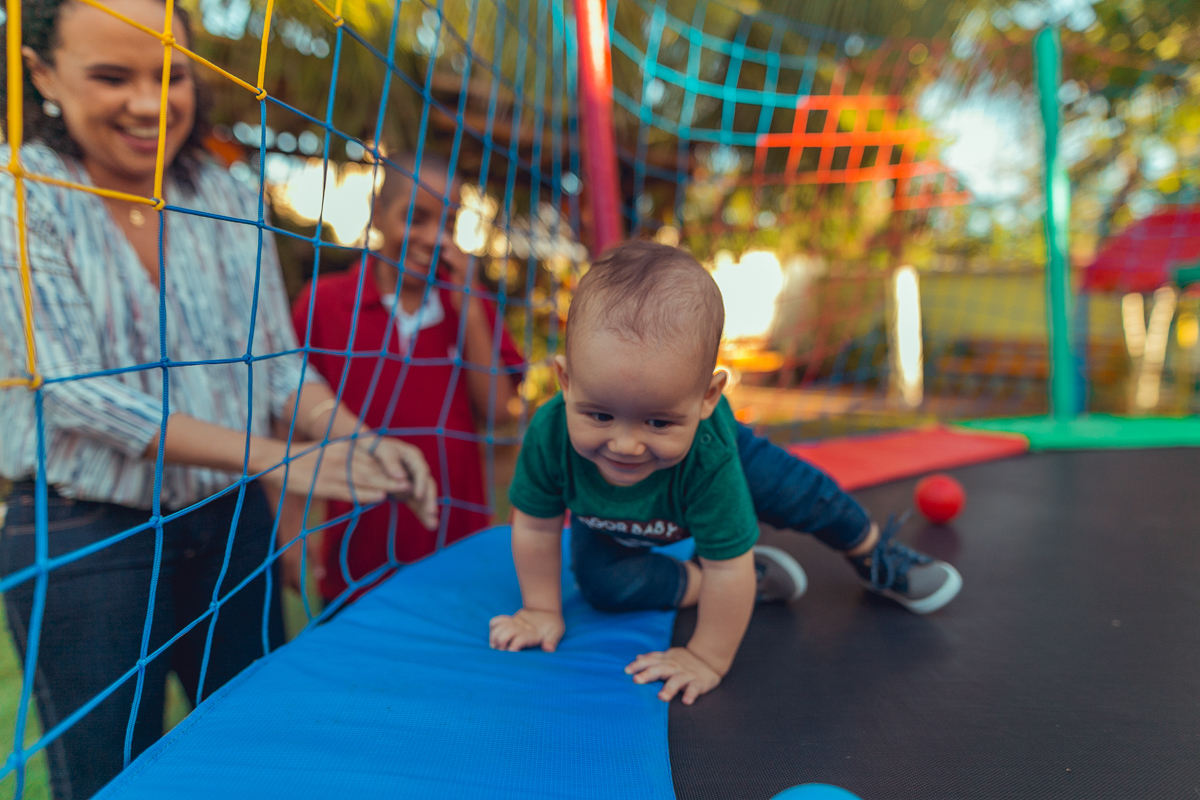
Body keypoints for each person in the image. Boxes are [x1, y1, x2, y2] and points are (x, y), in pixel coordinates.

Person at [0, 0, 436, 796]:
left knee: (257, 754)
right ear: (43, 75)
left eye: (168, 75)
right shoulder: (18, 195)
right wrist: (279, 459)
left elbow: (279, 367)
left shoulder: (228, 193)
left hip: (229, 522)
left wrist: (357, 438)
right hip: (86, 534)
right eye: (112, 76)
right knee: (109, 776)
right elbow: (75, 394)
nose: (147, 102)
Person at [489, 242, 961, 705]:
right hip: (612, 523)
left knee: (805, 496)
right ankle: (743, 580)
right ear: (566, 382)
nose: (626, 445)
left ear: (707, 398)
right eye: (600, 416)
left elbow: (726, 564)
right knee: (602, 586)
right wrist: (540, 610)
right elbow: (535, 526)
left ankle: (873, 553)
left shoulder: (709, 456)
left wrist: (705, 657)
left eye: (658, 422)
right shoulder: (550, 434)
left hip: (720, 460)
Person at [291, 154, 522, 601]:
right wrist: (291, 531)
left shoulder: (468, 304)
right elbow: (291, 424)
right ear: (378, 213)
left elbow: (498, 412)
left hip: (456, 538)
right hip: (357, 544)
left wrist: (470, 308)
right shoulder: (325, 302)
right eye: (415, 219)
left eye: (448, 224)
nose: (434, 238)